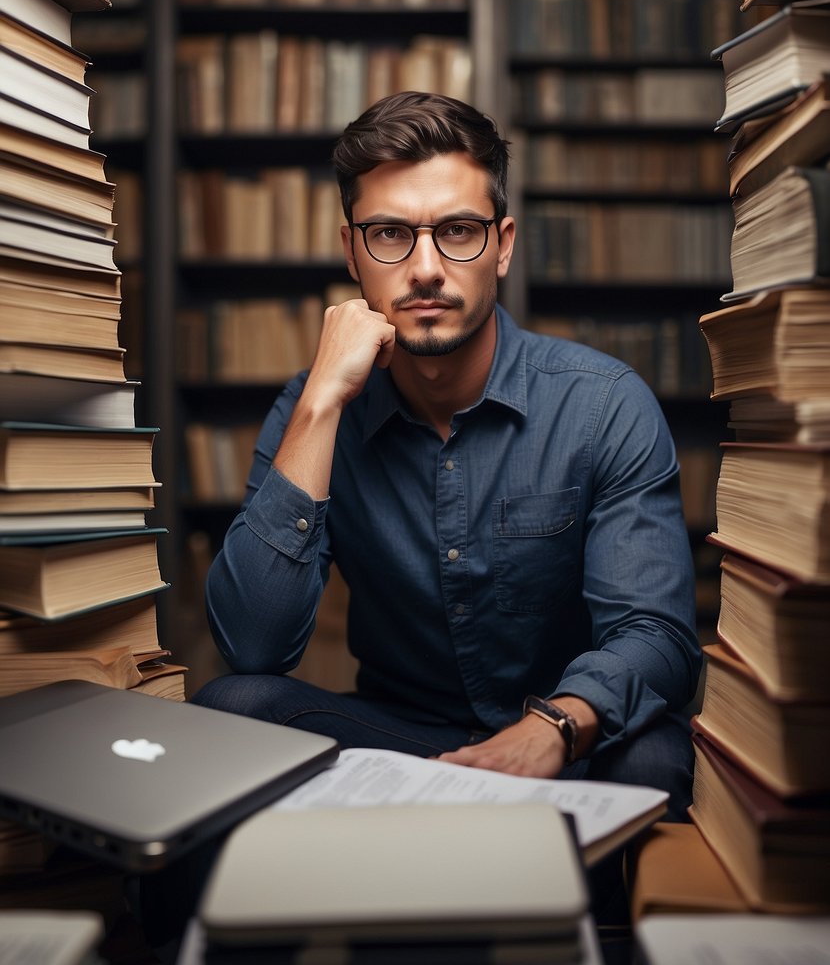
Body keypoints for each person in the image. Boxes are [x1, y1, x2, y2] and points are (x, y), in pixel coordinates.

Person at [193, 90, 701, 819]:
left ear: (503, 244)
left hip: (570, 729)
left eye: (458, 230)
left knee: (654, 758)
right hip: (400, 732)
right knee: (234, 707)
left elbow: (657, 636)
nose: (426, 268)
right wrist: (322, 403)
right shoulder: (312, 410)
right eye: (391, 234)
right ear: (351, 253)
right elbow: (252, 645)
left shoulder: (602, 404)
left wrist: (554, 724)